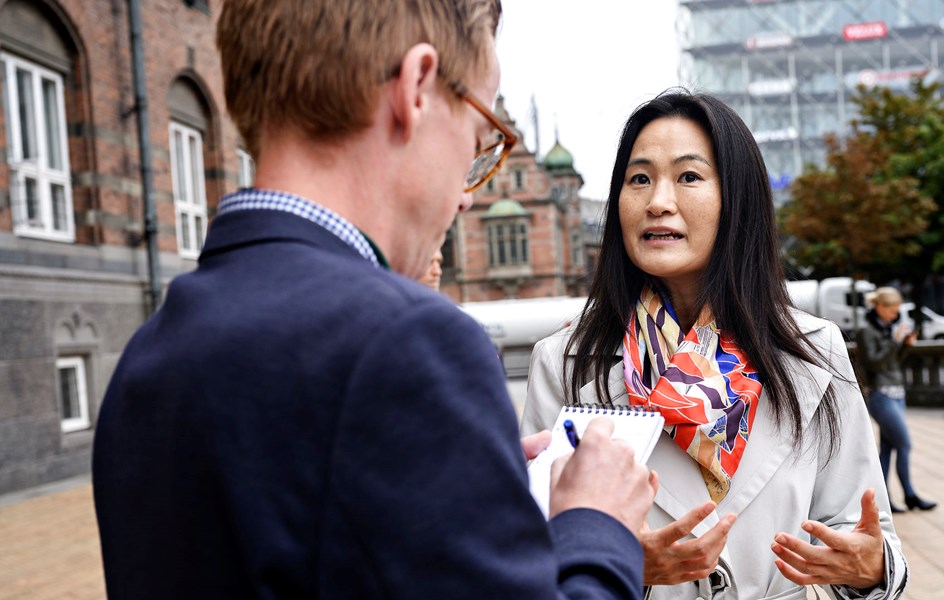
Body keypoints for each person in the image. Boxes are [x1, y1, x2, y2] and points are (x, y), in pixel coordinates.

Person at [91, 1, 656, 598]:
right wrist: (597, 525)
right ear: (416, 86)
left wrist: (462, 477)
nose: (467, 197)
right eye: (479, 138)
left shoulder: (147, 354)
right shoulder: (410, 343)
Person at [520, 90, 909, 600]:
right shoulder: (564, 361)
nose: (658, 201)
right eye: (639, 179)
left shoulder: (815, 351)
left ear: (737, 200)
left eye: (688, 177)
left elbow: (867, 535)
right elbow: (528, 554)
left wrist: (871, 569)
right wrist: (625, 566)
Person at [857, 287, 937, 513]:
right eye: (892, 310)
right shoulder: (866, 331)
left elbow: (893, 363)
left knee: (888, 448)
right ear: (880, 307)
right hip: (881, 394)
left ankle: (882, 500)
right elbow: (874, 363)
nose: (895, 315)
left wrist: (904, 346)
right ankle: (910, 494)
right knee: (904, 443)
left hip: (897, 393)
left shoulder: (887, 329)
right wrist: (894, 341)